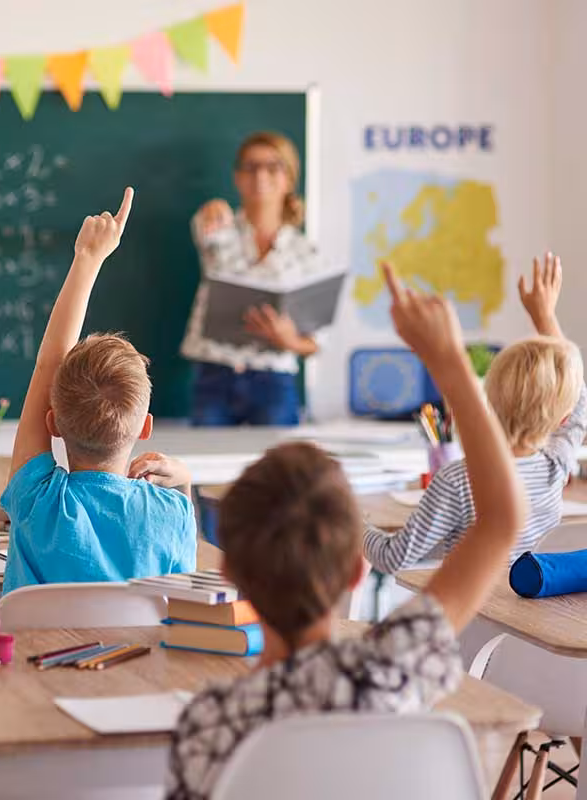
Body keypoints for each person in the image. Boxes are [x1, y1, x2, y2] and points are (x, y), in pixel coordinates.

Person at [164, 263, 526, 799]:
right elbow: (501, 520)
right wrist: (449, 364)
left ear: (228, 573)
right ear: (358, 569)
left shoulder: (211, 725)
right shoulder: (393, 670)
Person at [0, 188, 197, 593]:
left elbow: (48, 363)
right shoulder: (171, 513)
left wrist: (86, 260)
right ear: (145, 427)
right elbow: (182, 601)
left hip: (31, 658)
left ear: (52, 422)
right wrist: (184, 483)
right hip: (139, 658)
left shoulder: (39, 504)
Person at [364, 253, 586, 574]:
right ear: (562, 419)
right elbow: (579, 403)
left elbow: (392, 558)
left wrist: (355, 525)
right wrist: (545, 316)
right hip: (523, 619)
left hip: (469, 617)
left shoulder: (458, 480)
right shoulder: (556, 468)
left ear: (489, 399)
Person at [181, 131, 323, 426]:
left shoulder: (305, 251)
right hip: (214, 374)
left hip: (274, 380)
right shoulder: (219, 228)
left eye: (273, 167)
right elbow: (202, 226)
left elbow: (315, 343)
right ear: (237, 177)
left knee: (280, 470)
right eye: (251, 167)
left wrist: (289, 340)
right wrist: (212, 209)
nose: (260, 176)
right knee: (207, 466)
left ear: (289, 179)